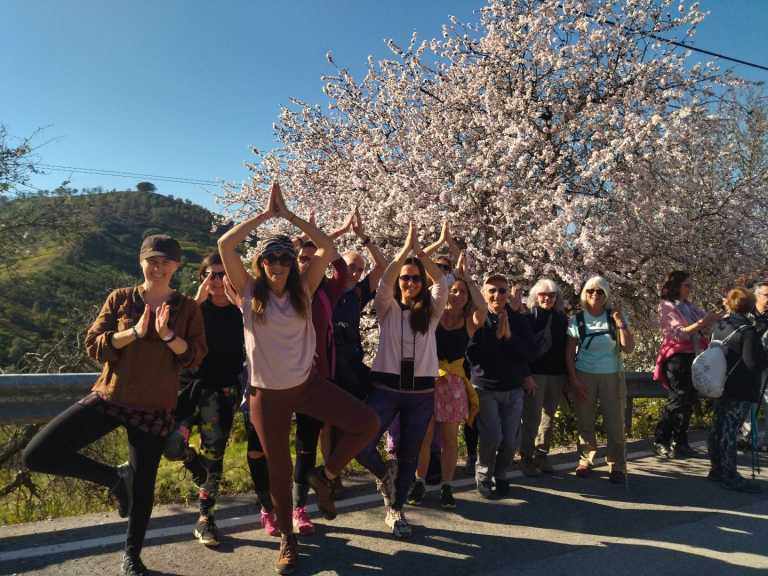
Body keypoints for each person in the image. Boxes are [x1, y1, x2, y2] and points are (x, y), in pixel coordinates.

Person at [218, 182, 379, 574]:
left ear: (293, 264)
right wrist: (265, 215)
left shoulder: (305, 291)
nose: (277, 265)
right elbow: (225, 245)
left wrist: (288, 215)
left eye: (284, 259)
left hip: (307, 387)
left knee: (367, 423)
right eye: (270, 258)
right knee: (279, 468)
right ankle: (287, 539)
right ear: (260, 262)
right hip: (266, 395)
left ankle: (325, 475)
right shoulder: (249, 292)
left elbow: (327, 247)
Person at [22, 234, 207, 576]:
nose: (158, 268)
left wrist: (168, 335)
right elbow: (93, 344)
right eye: (152, 260)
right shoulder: (121, 298)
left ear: (177, 266)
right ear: (141, 261)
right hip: (111, 396)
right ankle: (115, 478)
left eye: (166, 262)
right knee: (37, 454)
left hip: (154, 407)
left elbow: (195, 357)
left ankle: (132, 558)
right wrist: (134, 332)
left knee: (144, 486)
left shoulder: (187, 308)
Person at [355, 222, 447, 538]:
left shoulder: (431, 311)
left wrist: (420, 253)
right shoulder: (388, 308)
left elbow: (441, 281)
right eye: (405, 278)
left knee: (409, 454)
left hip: (420, 394)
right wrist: (405, 250)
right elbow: (384, 281)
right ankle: (385, 474)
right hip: (386, 390)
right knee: (361, 443)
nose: (409, 282)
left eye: (416, 278)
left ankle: (396, 509)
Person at [162, 253, 245, 547]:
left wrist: (242, 306)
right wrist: (194, 304)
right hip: (187, 391)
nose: (218, 281)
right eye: (211, 275)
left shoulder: (242, 311)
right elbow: (164, 336)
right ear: (202, 279)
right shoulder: (190, 309)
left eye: (224, 275)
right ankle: (191, 461)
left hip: (222, 394)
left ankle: (206, 518)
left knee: (214, 457)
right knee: (171, 445)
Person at [409, 250, 486, 508]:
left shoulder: (469, 322)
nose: (458, 295)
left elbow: (483, 307)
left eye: (463, 292)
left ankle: (446, 486)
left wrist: (467, 278)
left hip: (453, 384)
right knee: (425, 437)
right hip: (429, 379)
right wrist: (448, 276)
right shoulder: (435, 314)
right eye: (454, 290)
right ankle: (419, 481)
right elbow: (430, 289)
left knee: (450, 440)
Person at [466, 273, 537, 498]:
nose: (498, 295)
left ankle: (501, 473)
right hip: (485, 388)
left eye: (502, 290)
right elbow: (472, 356)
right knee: (492, 436)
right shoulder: (478, 318)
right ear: (483, 294)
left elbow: (529, 352)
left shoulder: (518, 320)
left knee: (510, 439)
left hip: (513, 388)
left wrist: (509, 338)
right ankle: (484, 475)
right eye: (492, 290)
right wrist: (496, 338)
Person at [565, 275, 634, 484]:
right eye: (590, 290)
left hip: (612, 374)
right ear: (584, 293)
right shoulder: (577, 320)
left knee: (615, 422)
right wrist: (574, 379)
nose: (595, 294)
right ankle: (586, 459)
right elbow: (569, 353)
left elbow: (628, 348)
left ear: (606, 295)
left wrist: (620, 323)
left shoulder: (615, 317)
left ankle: (617, 464)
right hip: (584, 374)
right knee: (585, 420)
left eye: (600, 291)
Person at [652, 271, 721, 458]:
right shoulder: (666, 306)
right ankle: (661, 439)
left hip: (694, 356)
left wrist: (718, 315)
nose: (690, 289)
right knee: (678, 399)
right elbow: (679, 333)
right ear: (676, 286)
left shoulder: (689, 306)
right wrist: (702, 322)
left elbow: (707, 320)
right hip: (677, 358)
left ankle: (680, 441)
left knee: (689, 400)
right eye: (686, 285)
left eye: (691, 285)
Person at [708, 287, 766, 493]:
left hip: (720, 381)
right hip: (740, 386)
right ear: (750, 306)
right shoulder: (747, 331)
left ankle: (716, 469)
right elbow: (752, 363)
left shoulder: (721, 324)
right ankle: (729, 474)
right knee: (730, 430)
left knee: (718, 426)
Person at [519, 278, 570, 476]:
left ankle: (542, 455)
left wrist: (567, 376)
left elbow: (566, 348)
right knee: (531, 418)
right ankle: (526, 457)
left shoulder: (561, 319)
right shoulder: (528, 318)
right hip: (535, 375)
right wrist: (526, 375)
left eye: (551, 295)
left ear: (556, 298)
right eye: (543, 295)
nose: (547, 298)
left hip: (556, 374)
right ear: (535, 296)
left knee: (549, 418)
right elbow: (522, 350)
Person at [739, 282, 768, 451]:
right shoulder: (747, 315)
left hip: (766, 365)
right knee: (750, 403)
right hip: (750, 365)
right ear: (756, 296)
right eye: (766, 295)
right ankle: (747, 437)